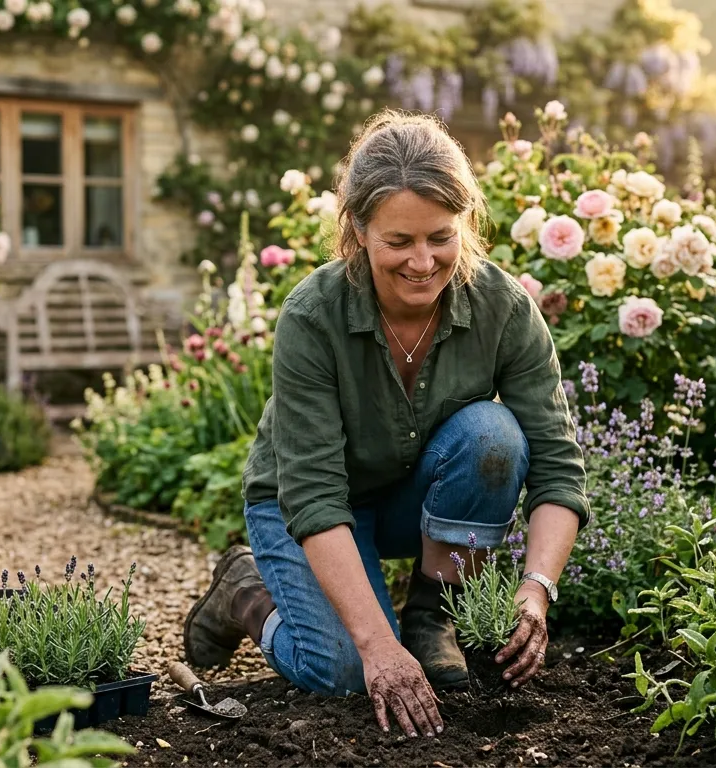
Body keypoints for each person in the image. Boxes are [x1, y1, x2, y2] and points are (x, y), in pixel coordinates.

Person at [182, 109, 589, 739]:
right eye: (398, 242)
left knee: (494, 436)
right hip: (306, 506)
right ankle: (247, 593)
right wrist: (376, 647)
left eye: (441, 237)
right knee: (346, 669)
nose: (423, 262)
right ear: (358, 232)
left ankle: (432, 618)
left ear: (466, 224)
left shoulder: (503, 308)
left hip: (411, 499)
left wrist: (537, 588)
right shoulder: (313, 317)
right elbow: (314, 497)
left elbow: (557, 466)